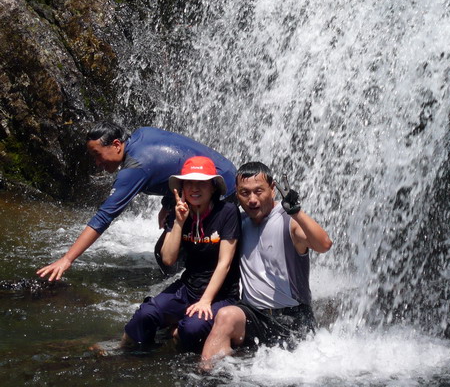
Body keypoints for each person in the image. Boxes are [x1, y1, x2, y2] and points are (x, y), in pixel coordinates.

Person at [36, 123, 236, 282]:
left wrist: (67, 259)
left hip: (219, 190)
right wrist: (167, 203)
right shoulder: (141, 134)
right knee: (169, 249)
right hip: (224, 175)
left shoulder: (135, 167)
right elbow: (174, 163)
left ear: (116, 145)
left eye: (97, 155)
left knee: (167, 255)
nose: (97, 163)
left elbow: (104, 217)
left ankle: (192, 290)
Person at [201, 161, 332, 366]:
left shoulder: (290, 221)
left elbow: (324, 244)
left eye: (259, 191)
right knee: (225, 317)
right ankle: (204, 375)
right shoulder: (239, 222)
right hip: (253, 314)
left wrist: (297, 211)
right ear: (237, 194)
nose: (252, 199)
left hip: (292, 317)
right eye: (245, 193)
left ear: (273, 189)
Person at [122, 156, 241, 352]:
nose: (195, 188)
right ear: (182, 188)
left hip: (221, 294)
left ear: (212, 187)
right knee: (145, 316)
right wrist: (178, 221)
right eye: (189, 183)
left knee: (192, 329)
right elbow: (168, 259)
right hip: (187, 287)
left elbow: (225, 263)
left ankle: (174, 335)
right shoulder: (179, 212)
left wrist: (206, 300)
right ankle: (124, 353)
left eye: (201, 183)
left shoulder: (226, 212)